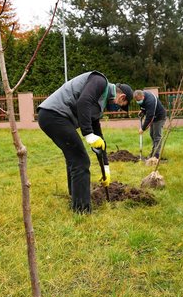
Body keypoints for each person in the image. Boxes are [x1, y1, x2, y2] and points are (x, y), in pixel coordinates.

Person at [37, 73, 134, 213]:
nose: (118, 109)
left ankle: (75, 198)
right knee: (81, 161)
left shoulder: (99, 102)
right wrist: (88, 135)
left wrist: (106, 167)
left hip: (52, 116)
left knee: (74, 158)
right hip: (54, 115)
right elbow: (83, 102)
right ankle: (81, 210)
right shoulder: (100, 81)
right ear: (122, 97)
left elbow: (98, 134)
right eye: (121, 106)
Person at [134, 89, 167, 160]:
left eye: (139, 100)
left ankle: (156, 155)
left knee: (157, 136)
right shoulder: (142, 97)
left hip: (159, 117)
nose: (138, 102)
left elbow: (149, 117)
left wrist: (142, 128)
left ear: (143, 96)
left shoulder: (150, 101)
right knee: (152, 134)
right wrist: (142, 111)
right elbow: (143, 105)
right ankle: (153, 152)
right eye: (137, 101)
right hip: (153, 117)